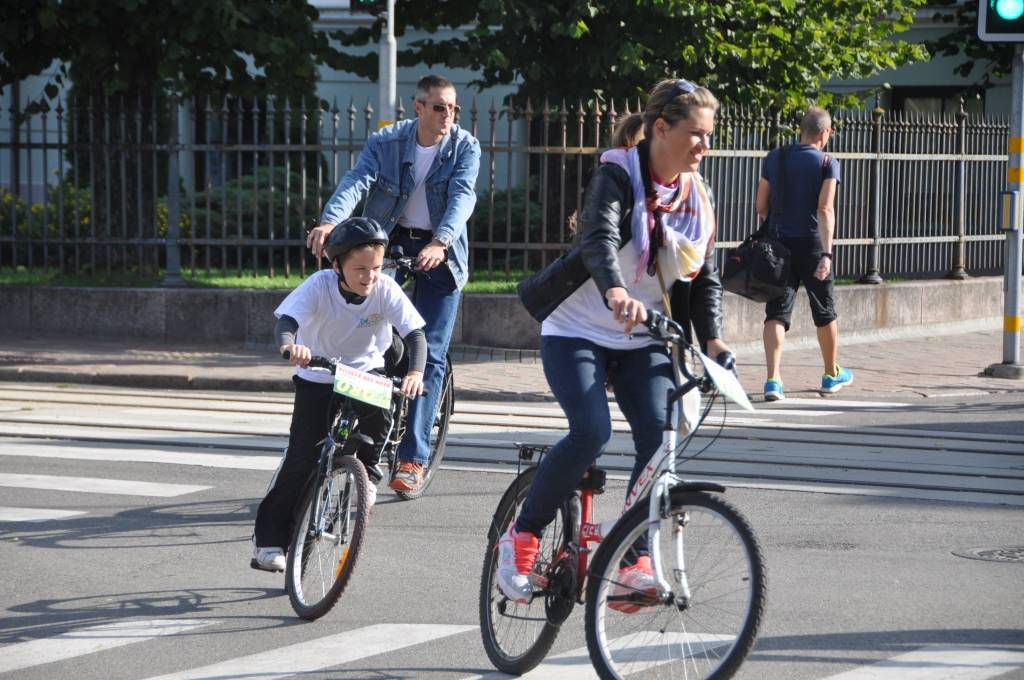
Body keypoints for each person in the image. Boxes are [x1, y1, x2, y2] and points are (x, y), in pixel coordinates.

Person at [501, 79, 732, 604]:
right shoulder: (617, 174)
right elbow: (598, 239)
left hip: (642, 336)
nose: (705, 146)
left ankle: (632, 562)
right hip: (577, 327)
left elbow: (703, 277)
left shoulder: (697, 196)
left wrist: (714, 342)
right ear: (660, 129)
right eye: (696, 134)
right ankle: (522, 537)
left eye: (708, 136)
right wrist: (616, 291)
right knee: (590, 432)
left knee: (659, 435)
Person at [306, 74, 480, 494]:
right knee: (376, 340)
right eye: (439, 107)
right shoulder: (387, 142)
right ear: (418, 108)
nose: (448, 116)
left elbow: (462, 197)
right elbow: (358, 180)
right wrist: (331, 221)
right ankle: (363, 433)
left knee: (430, 351)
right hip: (389, 245)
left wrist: (441, 241)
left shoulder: (464, 146)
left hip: (442, 251)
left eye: (453, 108)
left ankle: (413, 459)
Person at [251, 217, 426, 572]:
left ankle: (369, 474)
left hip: (364, 372)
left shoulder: (385, 290)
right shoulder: (319, 286)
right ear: (337, 266)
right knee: (302, 458)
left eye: (376, 268)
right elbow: (287, 323)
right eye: (360, 269)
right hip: (319, 373)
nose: (370, 276)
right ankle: (268, 543)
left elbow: (416, 335)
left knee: (381, 416)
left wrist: (415, 372)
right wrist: (290, 347)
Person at [756, 106, 853, 401]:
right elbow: (825, 209)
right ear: (825, 133)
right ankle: (830, 374)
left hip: (779, 245)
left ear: (801, 130)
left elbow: (761, 206)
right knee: (824, 309)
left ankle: (773, 380)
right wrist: (827, 253)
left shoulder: (775, 157)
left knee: (776, 312)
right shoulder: (827, 162)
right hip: (812, 244)